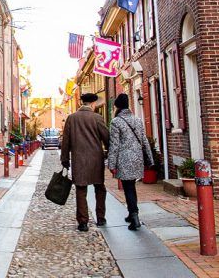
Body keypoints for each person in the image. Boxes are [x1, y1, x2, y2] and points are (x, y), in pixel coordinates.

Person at [60, 92, 110, 231]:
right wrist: (110, 153)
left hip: (79, 159)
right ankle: (101, 218)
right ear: (93, 104)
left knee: (81, 190)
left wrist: (64, 159)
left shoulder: (72, 118)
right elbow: (107, 138)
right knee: (100, 188)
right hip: (96, 159)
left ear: (82, 103)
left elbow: (66, 141)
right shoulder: (97, 118)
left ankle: (83, 222)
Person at [107, 93, 155, 230]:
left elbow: (114, 145)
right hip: (137, 158)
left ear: (117, 106)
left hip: (124, 159)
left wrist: (111, 164)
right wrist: (150, 159)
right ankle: (131, 213)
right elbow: (144, 140)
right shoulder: (138, 120)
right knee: (131, 186)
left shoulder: (116, 122)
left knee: (128, 188)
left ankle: (134, 217)